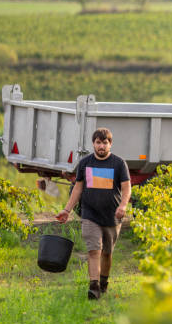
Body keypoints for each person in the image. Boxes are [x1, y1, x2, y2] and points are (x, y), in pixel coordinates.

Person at [56, 128, 131, 300]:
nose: (101, 146)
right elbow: (78, 188)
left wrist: (123, 205)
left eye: (105, 143)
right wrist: (67, 210)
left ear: (110, 144)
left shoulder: (119, 163)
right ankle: (94, 286)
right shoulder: (85, 163)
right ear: (93, 144)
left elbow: (127, 188)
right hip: (89, 214)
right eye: (98, 142)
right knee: (93, 250)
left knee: (107, 252)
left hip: (112, 215)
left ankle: (104, 282)